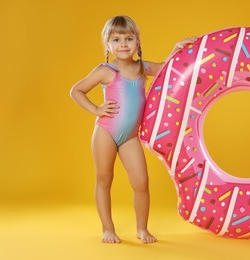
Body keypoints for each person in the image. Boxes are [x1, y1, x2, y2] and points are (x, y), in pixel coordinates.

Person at [70, 15, 196, 244]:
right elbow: (76, 91)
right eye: (116, 40)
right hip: (106, 132)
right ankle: (107, 229)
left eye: (128, 38)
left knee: (141, 181)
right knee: (104, 179)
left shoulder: (141, 67)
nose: (123, 44)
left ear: (137, 42)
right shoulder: (106, 70)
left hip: (129, 137)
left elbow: (165, 69)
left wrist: (176, 50)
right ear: (108, 45)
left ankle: (142, 229)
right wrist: (96, 109)